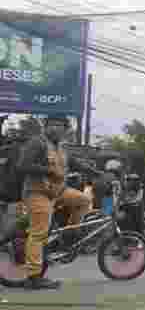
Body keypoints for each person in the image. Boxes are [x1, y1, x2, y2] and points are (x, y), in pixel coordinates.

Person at [15, 115, 91, 290]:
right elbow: (22, 165)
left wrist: (94, 171)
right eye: (52, 125)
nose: (56, 129)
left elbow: (73, 163)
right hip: (38, 193)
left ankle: (70, 235)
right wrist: (48, 171)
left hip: (58, 191)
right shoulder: (37, 143)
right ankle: (33, 277)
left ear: (65, 130)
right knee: (39, 233)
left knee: (83, 201)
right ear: (46, 127)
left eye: (60, 126)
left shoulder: (61, 148)